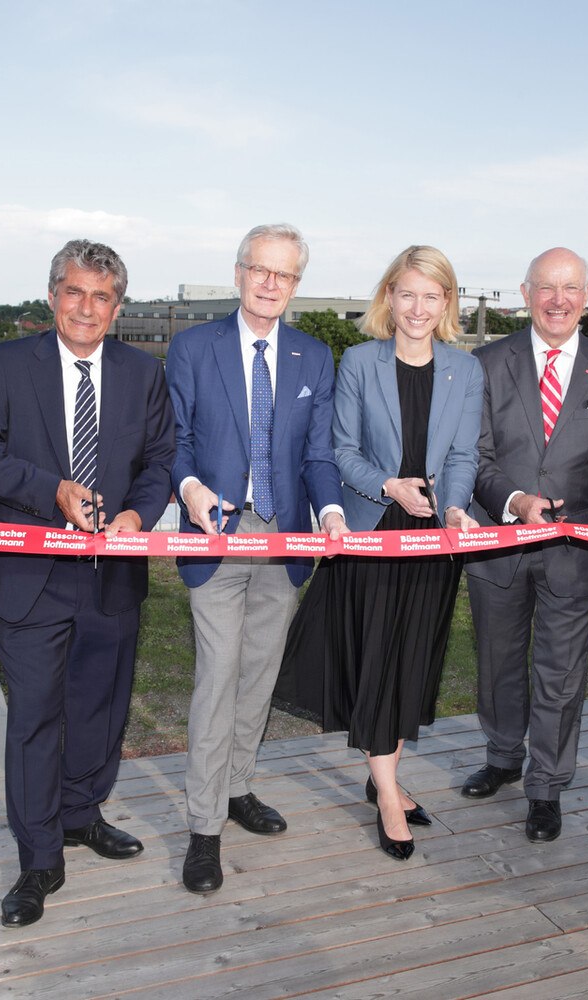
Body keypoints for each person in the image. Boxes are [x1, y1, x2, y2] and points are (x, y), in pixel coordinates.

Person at [0, 240, 174, 927]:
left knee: (100, 711)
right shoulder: (8, 363)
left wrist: (139, 512)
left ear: (117, 306)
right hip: (31, 576)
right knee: (34, 719)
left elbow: (161, 458)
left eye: (101, 296)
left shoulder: (144, 372)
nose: (87, 308)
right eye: (74, 292)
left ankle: (81, 815)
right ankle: (38, 858)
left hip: (113, 574)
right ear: (52, 296)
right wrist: (51, 491)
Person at [281, 245, 483, 860]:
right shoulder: (360, 362)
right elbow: (341, 450)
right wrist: (388, 485)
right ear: (388, 296)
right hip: (372, 530)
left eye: (432, 295)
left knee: (410, 661)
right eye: (407, 293)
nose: (418, 307)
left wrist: (452, 508)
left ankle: (382, 774)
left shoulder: (465, 371)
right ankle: (390, 794)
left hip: (433, 539)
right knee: (375, 660)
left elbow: (462, 457)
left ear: (446, 302)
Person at [166, 223, 348, 894]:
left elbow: (319, 454)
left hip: (286, 538)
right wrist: (188, 491)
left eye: (286, 275)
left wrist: (329, 512)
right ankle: (204, 827)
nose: (272, 284)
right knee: (217, 678)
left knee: (258, 675)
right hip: (217, 536)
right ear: (239, 273)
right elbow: (177, 443)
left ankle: (239, 786)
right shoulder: (192, 348)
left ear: (296, 285)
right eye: (261, 270)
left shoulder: (313, 356)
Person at [462, 248, 588, 842]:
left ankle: (546, 785)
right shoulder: (485, 364)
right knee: (497, 661)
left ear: (587, 294)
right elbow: (477, 457)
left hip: (577, 549)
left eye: (570, 288)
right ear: (525, 292)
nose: (558, 299)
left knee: (561, 673)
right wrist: (515, 501)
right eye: (546, 287)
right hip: (500, 541)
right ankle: (501, 755)